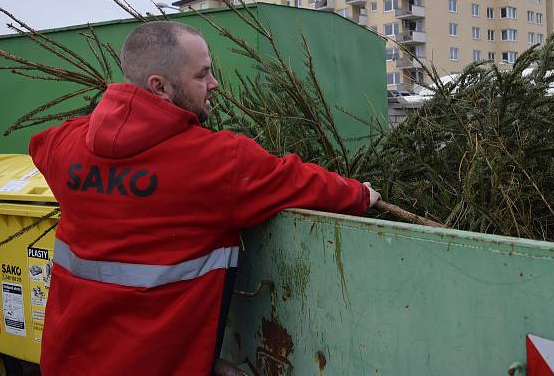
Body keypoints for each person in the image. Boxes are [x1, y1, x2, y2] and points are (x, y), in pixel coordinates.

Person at [29, 21, 380, 376]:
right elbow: (301, 181)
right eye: (202, 75)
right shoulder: (217, 162)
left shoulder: (68, 145)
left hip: (66, 362)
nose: (214, 84)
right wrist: (361, 194)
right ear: (160, 86)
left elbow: (39, 146)